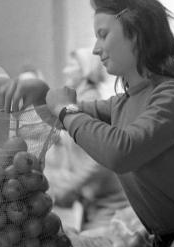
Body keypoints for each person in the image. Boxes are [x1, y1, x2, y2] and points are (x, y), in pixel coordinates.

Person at [0, 0, 174, 247]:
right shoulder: (123, 104)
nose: (97, 49)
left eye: (103, 35)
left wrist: (65, 108)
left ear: (136, 32)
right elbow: (64, 118)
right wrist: (41, 92)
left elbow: (120, 151)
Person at [44, 48, 131, 231]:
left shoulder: (91, 102)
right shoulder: (78, 102)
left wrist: (70, 187)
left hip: (110, 204)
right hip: (93, 201)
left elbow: (98, 160)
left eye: (72, 66)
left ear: (85, 70)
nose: (65, 71)